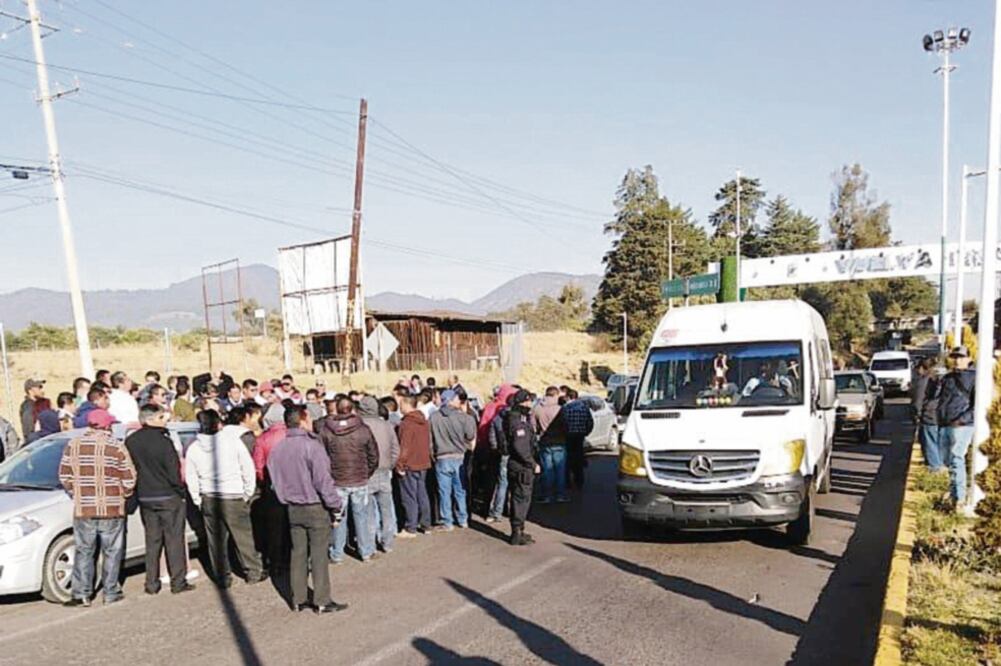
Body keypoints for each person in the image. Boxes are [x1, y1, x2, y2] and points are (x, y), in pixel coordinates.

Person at [267, 405, 346, 614]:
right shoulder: (312, 446)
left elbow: (275, 481)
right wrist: (335, 505)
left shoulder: (278, 449)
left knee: (298, 553)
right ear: (302, 420)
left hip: (292, 507)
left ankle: (298, 598)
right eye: (308, 417)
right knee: (319, 554)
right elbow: (323, 481)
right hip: (315, 506)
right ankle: (322, 599)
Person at [58, 409, 136, 606]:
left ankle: (81, 593)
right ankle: (110, 592)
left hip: (84, 508)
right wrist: (122, 494)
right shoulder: (116, 447)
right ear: (107, 426)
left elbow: (64, 475)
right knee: (112, 551)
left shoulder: (73, 445)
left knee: (84, 550)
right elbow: (129, 477)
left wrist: (77, 493)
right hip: (111, 508)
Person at [185, 410, 265, 587]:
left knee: (216, 541)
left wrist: (198, 499)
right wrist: (247, 492)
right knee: (243, 537)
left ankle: (222, 576)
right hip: (233, 496)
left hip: (209, 497)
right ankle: (253, 571)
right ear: (219, 423)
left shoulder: (194, 447)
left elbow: (191, 477)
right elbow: (247, 467)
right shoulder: (232, 443)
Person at [125, 404, 195, 595]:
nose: (165, 421)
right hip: (168, 496)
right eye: (161, 417)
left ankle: (151, 582)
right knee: (174, 540)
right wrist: (180, 491)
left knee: (152, 540)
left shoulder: (132, 441)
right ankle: (178, 581)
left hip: (145, 496)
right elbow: (173, 471)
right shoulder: (164, 442)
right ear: (151, 419)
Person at [318, 397, 379, 563]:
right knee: (361, 516)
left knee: (338, 517)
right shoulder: (363, 429)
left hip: (338, 480)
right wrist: (367, 472)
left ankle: (337, 553)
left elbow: (321, 457)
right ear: (352, 409)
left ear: (336, 409)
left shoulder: (326, 430)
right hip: (359, 478)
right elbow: (373, 455)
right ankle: (365, 551)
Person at [358, 396, 400, 554]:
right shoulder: (386, 425)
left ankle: (371, 545)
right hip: (384, 470)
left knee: (368, 512)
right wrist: (390, 465)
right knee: (386, 509)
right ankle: (387, 542)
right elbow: (395, 448)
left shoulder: (359, 426)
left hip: (366, 473)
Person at [430, 389, 477, 530]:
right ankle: (463, 519)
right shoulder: (464, 418)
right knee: (460, 491)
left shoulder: (433, 417)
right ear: (450, 400)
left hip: (441, 457)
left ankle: (447, 521)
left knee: (444, 492)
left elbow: (430, 440)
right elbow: (470, 436)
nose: (459, 401)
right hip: (459, 457)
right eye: (456, 399)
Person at [937, 346, 976, 509]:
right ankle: (953, 493)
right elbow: (941, 398)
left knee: (956, 458)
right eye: (955, 357)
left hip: (961, 425)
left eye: (961, 357)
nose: (957, 360)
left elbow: (977, 405)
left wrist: (962, 420)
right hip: (945, 423)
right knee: (946, 459)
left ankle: (959, 498)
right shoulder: (948, 378)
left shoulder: (974, 378)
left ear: (968, 359)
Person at [502, 390, 541, 546]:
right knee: (521, 499)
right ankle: (517, 532)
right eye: (528, 401)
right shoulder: (518, 422)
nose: (531, 404)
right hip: (521, 466)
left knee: (519, 498)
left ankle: (519, 530)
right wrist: (532, 463)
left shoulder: (513, 418)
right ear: (523, 403)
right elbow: (521, 447)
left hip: (516, 464)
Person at [396, 395, 432, 537]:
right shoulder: (424, 422)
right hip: (423, 462)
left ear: (406, 404)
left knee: (409, 496)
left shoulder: (407, 424)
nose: (399, 407)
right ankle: (426, 524)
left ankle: (411, 526)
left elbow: (405, 446)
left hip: (410, 464)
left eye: (401, 404)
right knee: (422, 494)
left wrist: (400, 464)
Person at [483, 385, 518, 523]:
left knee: (501, 483)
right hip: (516, 453)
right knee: (515, 483)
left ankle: (495, 512)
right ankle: (512, 510)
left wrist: (496, 448)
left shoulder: (497, 418)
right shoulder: (517, 417)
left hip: (502, 453)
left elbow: (491, 435)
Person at [913, 359, 945, 472]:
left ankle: (934, 468)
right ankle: (939, 464)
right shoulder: (939, 378)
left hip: (928, 415)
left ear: (922, 368)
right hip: (941, 415)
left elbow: (918, 400)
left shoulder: (924, 380)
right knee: (938, 442)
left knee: (929, 442)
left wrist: (917, 414)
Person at [537, 400, 570, 504]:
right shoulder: (561, 410)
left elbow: (533, 426)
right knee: (560, 471)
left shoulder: (539, 409)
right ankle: (560, 495)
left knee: (547, 470)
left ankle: (546, 496)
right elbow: (566, 426)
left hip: (545, 442)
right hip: (559, 442)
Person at [562, 391, 594, 490]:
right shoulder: (584, 408)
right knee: (578, 458)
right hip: (580, 436)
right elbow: (590, 422)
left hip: (568, 436)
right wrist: (586, 432)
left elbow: (563, 422)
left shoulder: (566, 408)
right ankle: (579, 481)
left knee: (568, 459)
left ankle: (567, 482)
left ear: (568, 397)